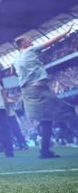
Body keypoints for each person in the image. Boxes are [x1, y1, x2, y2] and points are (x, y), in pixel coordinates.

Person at [12, 26, 78, 158]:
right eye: (29, 40)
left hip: (27, 91)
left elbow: (13, 72)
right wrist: (66, 31)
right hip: (38, 88)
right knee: (68, 110)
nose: (31, 41)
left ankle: (45, 151)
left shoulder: (15, 59)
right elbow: (51, 41)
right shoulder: (30, 50)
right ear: (23, 44)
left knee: (45, 120)